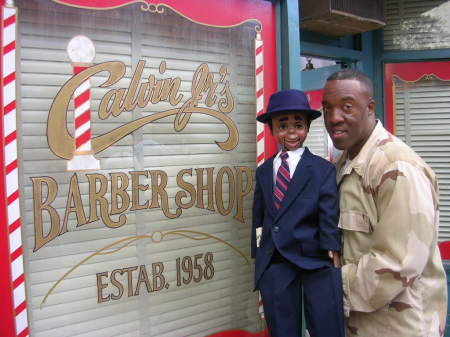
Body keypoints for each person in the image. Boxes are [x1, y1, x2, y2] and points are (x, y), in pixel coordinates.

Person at [322, 69, 448, 336]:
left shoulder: (397, 167)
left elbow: (397, 263)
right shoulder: (345, 163)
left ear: (369, 108)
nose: (334, 118)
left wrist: (325, 286)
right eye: (327, 108)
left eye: (347, 107)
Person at [251, 89, 344, 337]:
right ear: (271, 129)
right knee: (281, 325)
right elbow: (259, 216)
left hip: (313, 256)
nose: (291, 132)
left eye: (298, 125)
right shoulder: (264, 171)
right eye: (283, 126)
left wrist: (332, 247)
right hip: (276, 259)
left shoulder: (321, 169)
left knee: (325, 322)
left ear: (307, 129)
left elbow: (328, 210)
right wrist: (259, 252)